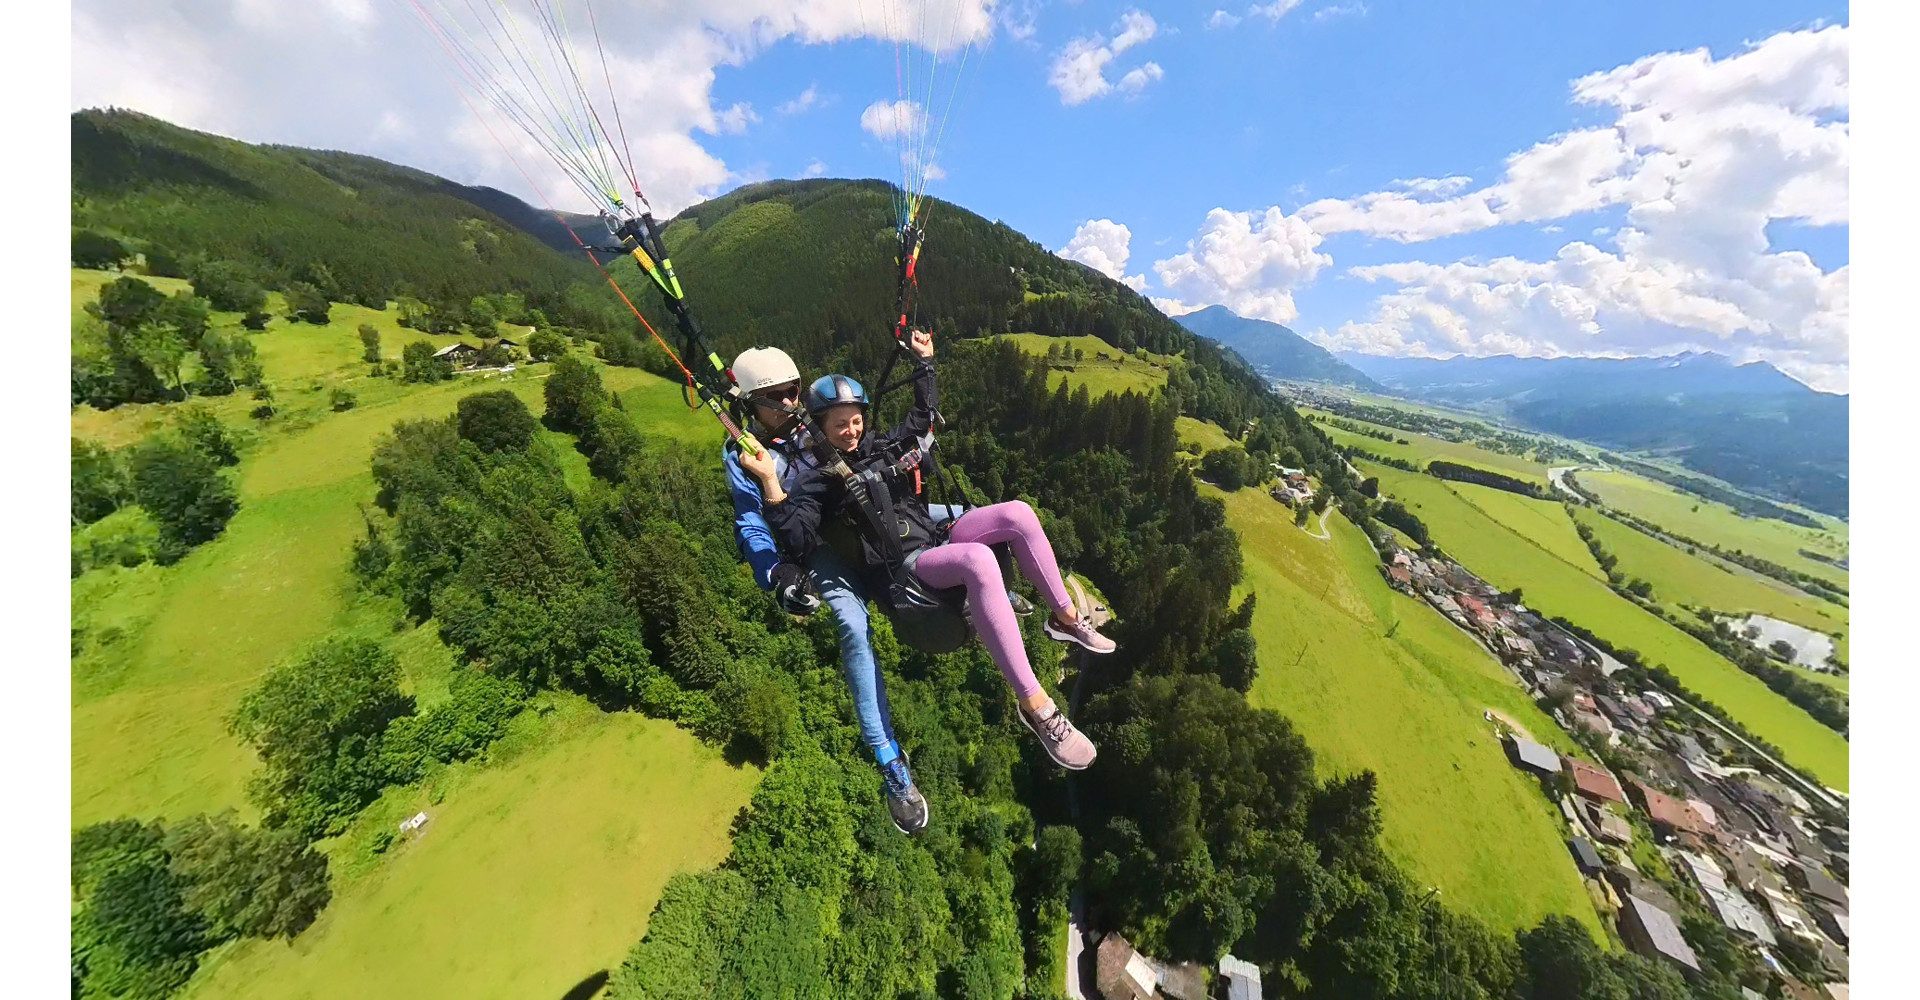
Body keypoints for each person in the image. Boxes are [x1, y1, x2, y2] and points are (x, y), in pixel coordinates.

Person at [746, 328, 1114, 774]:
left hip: (934, 533)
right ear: (821, 427)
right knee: (978, 560)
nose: (851, 430)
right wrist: (770, 483)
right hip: (905, 566)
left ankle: (1064, 619)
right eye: (839, 424)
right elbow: (798, 538)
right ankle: (1036, 706)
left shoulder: (877, 446)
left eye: (856, 419)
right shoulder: (816, 482)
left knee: (1017, 514)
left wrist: (925, 365)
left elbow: (923, 420)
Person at [723, 345, 935, 836]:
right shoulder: (746, 456)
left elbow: (866, 438)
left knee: (956, 523)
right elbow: (751, 522)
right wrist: (774, 574)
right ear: (753, 404)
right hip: (817, 544)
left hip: (862, 521)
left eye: (795, 390)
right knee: (852, 625)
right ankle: (888, 759)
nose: (791, 401)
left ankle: (993, 599)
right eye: (778, 397)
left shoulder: (813, 424)